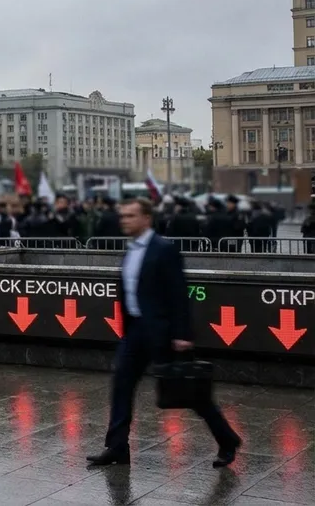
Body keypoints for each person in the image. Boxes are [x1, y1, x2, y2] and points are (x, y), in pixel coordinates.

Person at [87, 197, 241, 468]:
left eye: (131, 216)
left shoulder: (164, 249)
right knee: (121, 384)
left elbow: (179, 293)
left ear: (147, 218)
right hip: (135, 330)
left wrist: (182, 333)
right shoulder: (131, 250)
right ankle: (117, 447)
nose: (124, 220)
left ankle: (227, 439)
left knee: (191, 394)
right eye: (123, 216)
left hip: (162, 332)